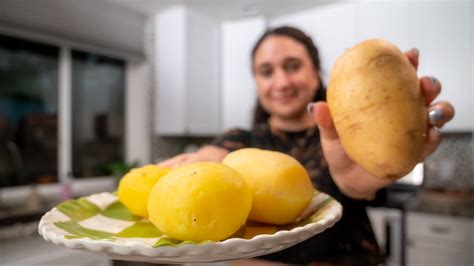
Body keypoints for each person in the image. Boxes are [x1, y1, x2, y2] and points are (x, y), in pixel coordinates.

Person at [159, 26, 455, 265]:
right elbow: (213, 161)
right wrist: (195, 165)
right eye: (266, 71)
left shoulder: (349, 133)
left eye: (293, 66)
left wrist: (366, 174)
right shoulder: (241, 140)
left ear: (316, 74)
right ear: (257, 83)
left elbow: (362, 184)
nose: (282, 81)